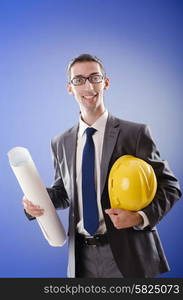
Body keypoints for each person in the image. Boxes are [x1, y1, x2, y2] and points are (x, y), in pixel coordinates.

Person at [23, 53, 182, 278]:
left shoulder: (134, 134)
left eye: (94, 77)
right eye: (78, 80)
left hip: (128, 254)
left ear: (105, 83)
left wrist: (139, 217)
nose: (88, 85)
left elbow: (170, 187)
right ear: (70, 88)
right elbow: (64, 193)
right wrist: (35, 200)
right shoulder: (60, 142)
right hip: (81, 259)